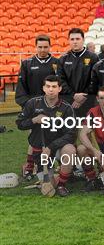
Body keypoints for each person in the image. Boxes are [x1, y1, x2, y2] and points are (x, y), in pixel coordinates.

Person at [16, 75, 77, 197]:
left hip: (58, 147)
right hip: (40, 151)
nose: (51, 89)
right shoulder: (33, 103)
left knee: (70, 150)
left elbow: (71, 134)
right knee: (49, 185)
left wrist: (50, 147)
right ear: (43, 88)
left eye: (54, 86)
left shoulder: (66, 108)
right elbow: (20, 124)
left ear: (59, 89)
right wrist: (34, 120)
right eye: (48, 86)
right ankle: (55, 177)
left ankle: (62, 185)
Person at [15, 35, 59, 180]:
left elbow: (60, 86)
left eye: (45, 47)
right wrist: (28, 106)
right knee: (34, 137)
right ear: (35, 47)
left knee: (54, 136)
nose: (42, 50)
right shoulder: (27, 63)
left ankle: (52, 165)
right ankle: (29, 166)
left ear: (49, 47)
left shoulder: (56, 63)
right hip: (34, 109)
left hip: (53, 107)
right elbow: (21, 89)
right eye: (40, 47)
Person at [57, 28, 99, 118]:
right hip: (69, 102)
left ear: (83, 40)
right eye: (72, 39)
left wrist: (84, 96)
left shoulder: (93, 57)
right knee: (70, 130)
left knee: (87, 130)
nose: (75, 42)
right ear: (68, 41)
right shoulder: (63, 59)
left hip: (89, 102)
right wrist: (73, 96)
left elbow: (95, 80)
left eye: (77, 39)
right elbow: (60, 81)